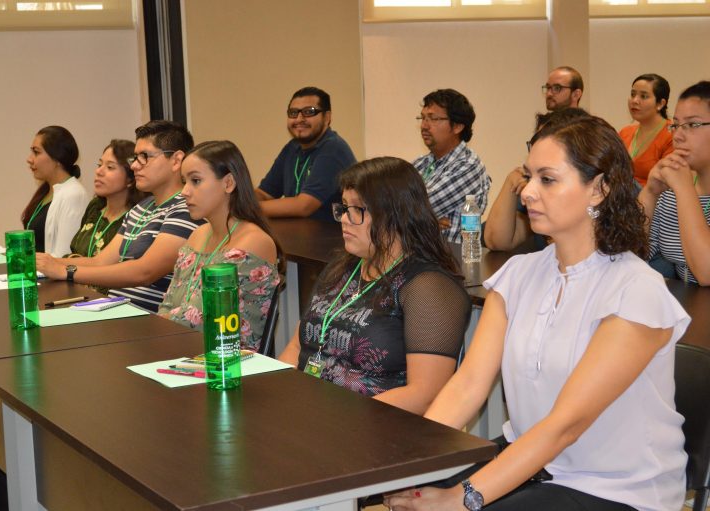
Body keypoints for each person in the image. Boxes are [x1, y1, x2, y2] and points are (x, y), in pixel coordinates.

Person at [386, 116, 689, 510]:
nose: (527, 192)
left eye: (547, 179)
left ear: (598, 188)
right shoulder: (518, 274)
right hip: (534, 461)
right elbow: (469, 385)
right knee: (402, 494)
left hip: (614, 488)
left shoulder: (635, 291)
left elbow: (566, 425)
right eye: (529, 177)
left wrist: (460, 500)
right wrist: (411, 467)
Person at [279, 157, 471, 415]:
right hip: (311, 415)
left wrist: (339, 419)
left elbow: (425, 395)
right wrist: (278, 394)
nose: (345, 219)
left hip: (377, 430)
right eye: (344, 207)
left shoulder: (428, 287)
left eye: (357, 210)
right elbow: (296, 347)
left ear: (394, 215)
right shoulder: (342, 268)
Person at [36, 120, 200, 312]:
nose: (135, 167)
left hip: (149, 323)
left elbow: (144, 272)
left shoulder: (186, 209)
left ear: (176, 160)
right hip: (116, 312)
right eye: (135, 158)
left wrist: (65, 271)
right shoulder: (142, 208)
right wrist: (44, 262)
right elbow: (101, 261)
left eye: (145, 157)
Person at [159, 141, 282, 351]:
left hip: (227, 363)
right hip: (183, 350)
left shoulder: (253, 241)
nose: (184, 192)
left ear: (228, 183)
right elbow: (168, 305)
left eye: (195, 181)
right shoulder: (197, 235)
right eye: (184, 181)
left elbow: (200, 318)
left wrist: (150, 331)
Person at [484, 108, 590, 251]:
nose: (526, 194)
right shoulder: (530, 188)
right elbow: (496, 241)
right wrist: (511, 180)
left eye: (547, 179)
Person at [640, 80, 710, 285]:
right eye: (676, 125)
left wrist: (684, 188)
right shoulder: (669, 196)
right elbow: (628, 257)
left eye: (692, 125)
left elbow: (706, 273)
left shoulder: (681, 190)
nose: (677, 136)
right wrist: (650, 194)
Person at [255, 86, 357, 221]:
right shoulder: (292, 148)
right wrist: (238, 201)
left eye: (309, 112)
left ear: (327, 117)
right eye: (293, 113)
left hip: (332, 238)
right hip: (299, 236)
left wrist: (247, 209)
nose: (299, 119)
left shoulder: (333, 148)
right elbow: (265, 193)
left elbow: (304, 206)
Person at [412, 89, 490, 242]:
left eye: (433, 118)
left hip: (452, 260)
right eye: (422, 118)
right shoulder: (420, 163)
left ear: (457, 127)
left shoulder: (468, 166)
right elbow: (392, 205)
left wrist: (419, 221)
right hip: (420, 256)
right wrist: (426, 223)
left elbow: (405, 214)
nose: (424, 126)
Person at [67, 139, 147, 257]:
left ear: (130, 179)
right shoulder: (95, 206)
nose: (99, 171)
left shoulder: (137, 217)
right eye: (99, 165)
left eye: (110, 167)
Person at [21, 125, 89, 256]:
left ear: (57, 157)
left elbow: (64, 255)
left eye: (36, 152)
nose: (29, 159)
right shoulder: (47, 190)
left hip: (51, 275)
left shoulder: (73, 194)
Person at [619, 73, 673, 186]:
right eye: (633, 94)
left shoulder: (672, 134)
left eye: (643, 96)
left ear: (660, 104)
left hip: (655, 200)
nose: (635, 101)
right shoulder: (625, 132)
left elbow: (667, 182)